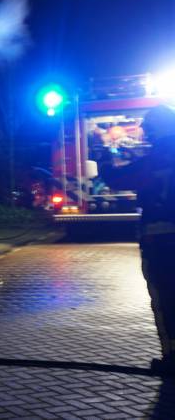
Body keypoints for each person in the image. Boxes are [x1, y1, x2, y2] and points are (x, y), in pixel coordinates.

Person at [102, 105, 175, 372]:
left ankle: (171, 358)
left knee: (164, 298)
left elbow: (117, 178)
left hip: (158, 239)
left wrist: (107, 154)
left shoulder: (152, 161)